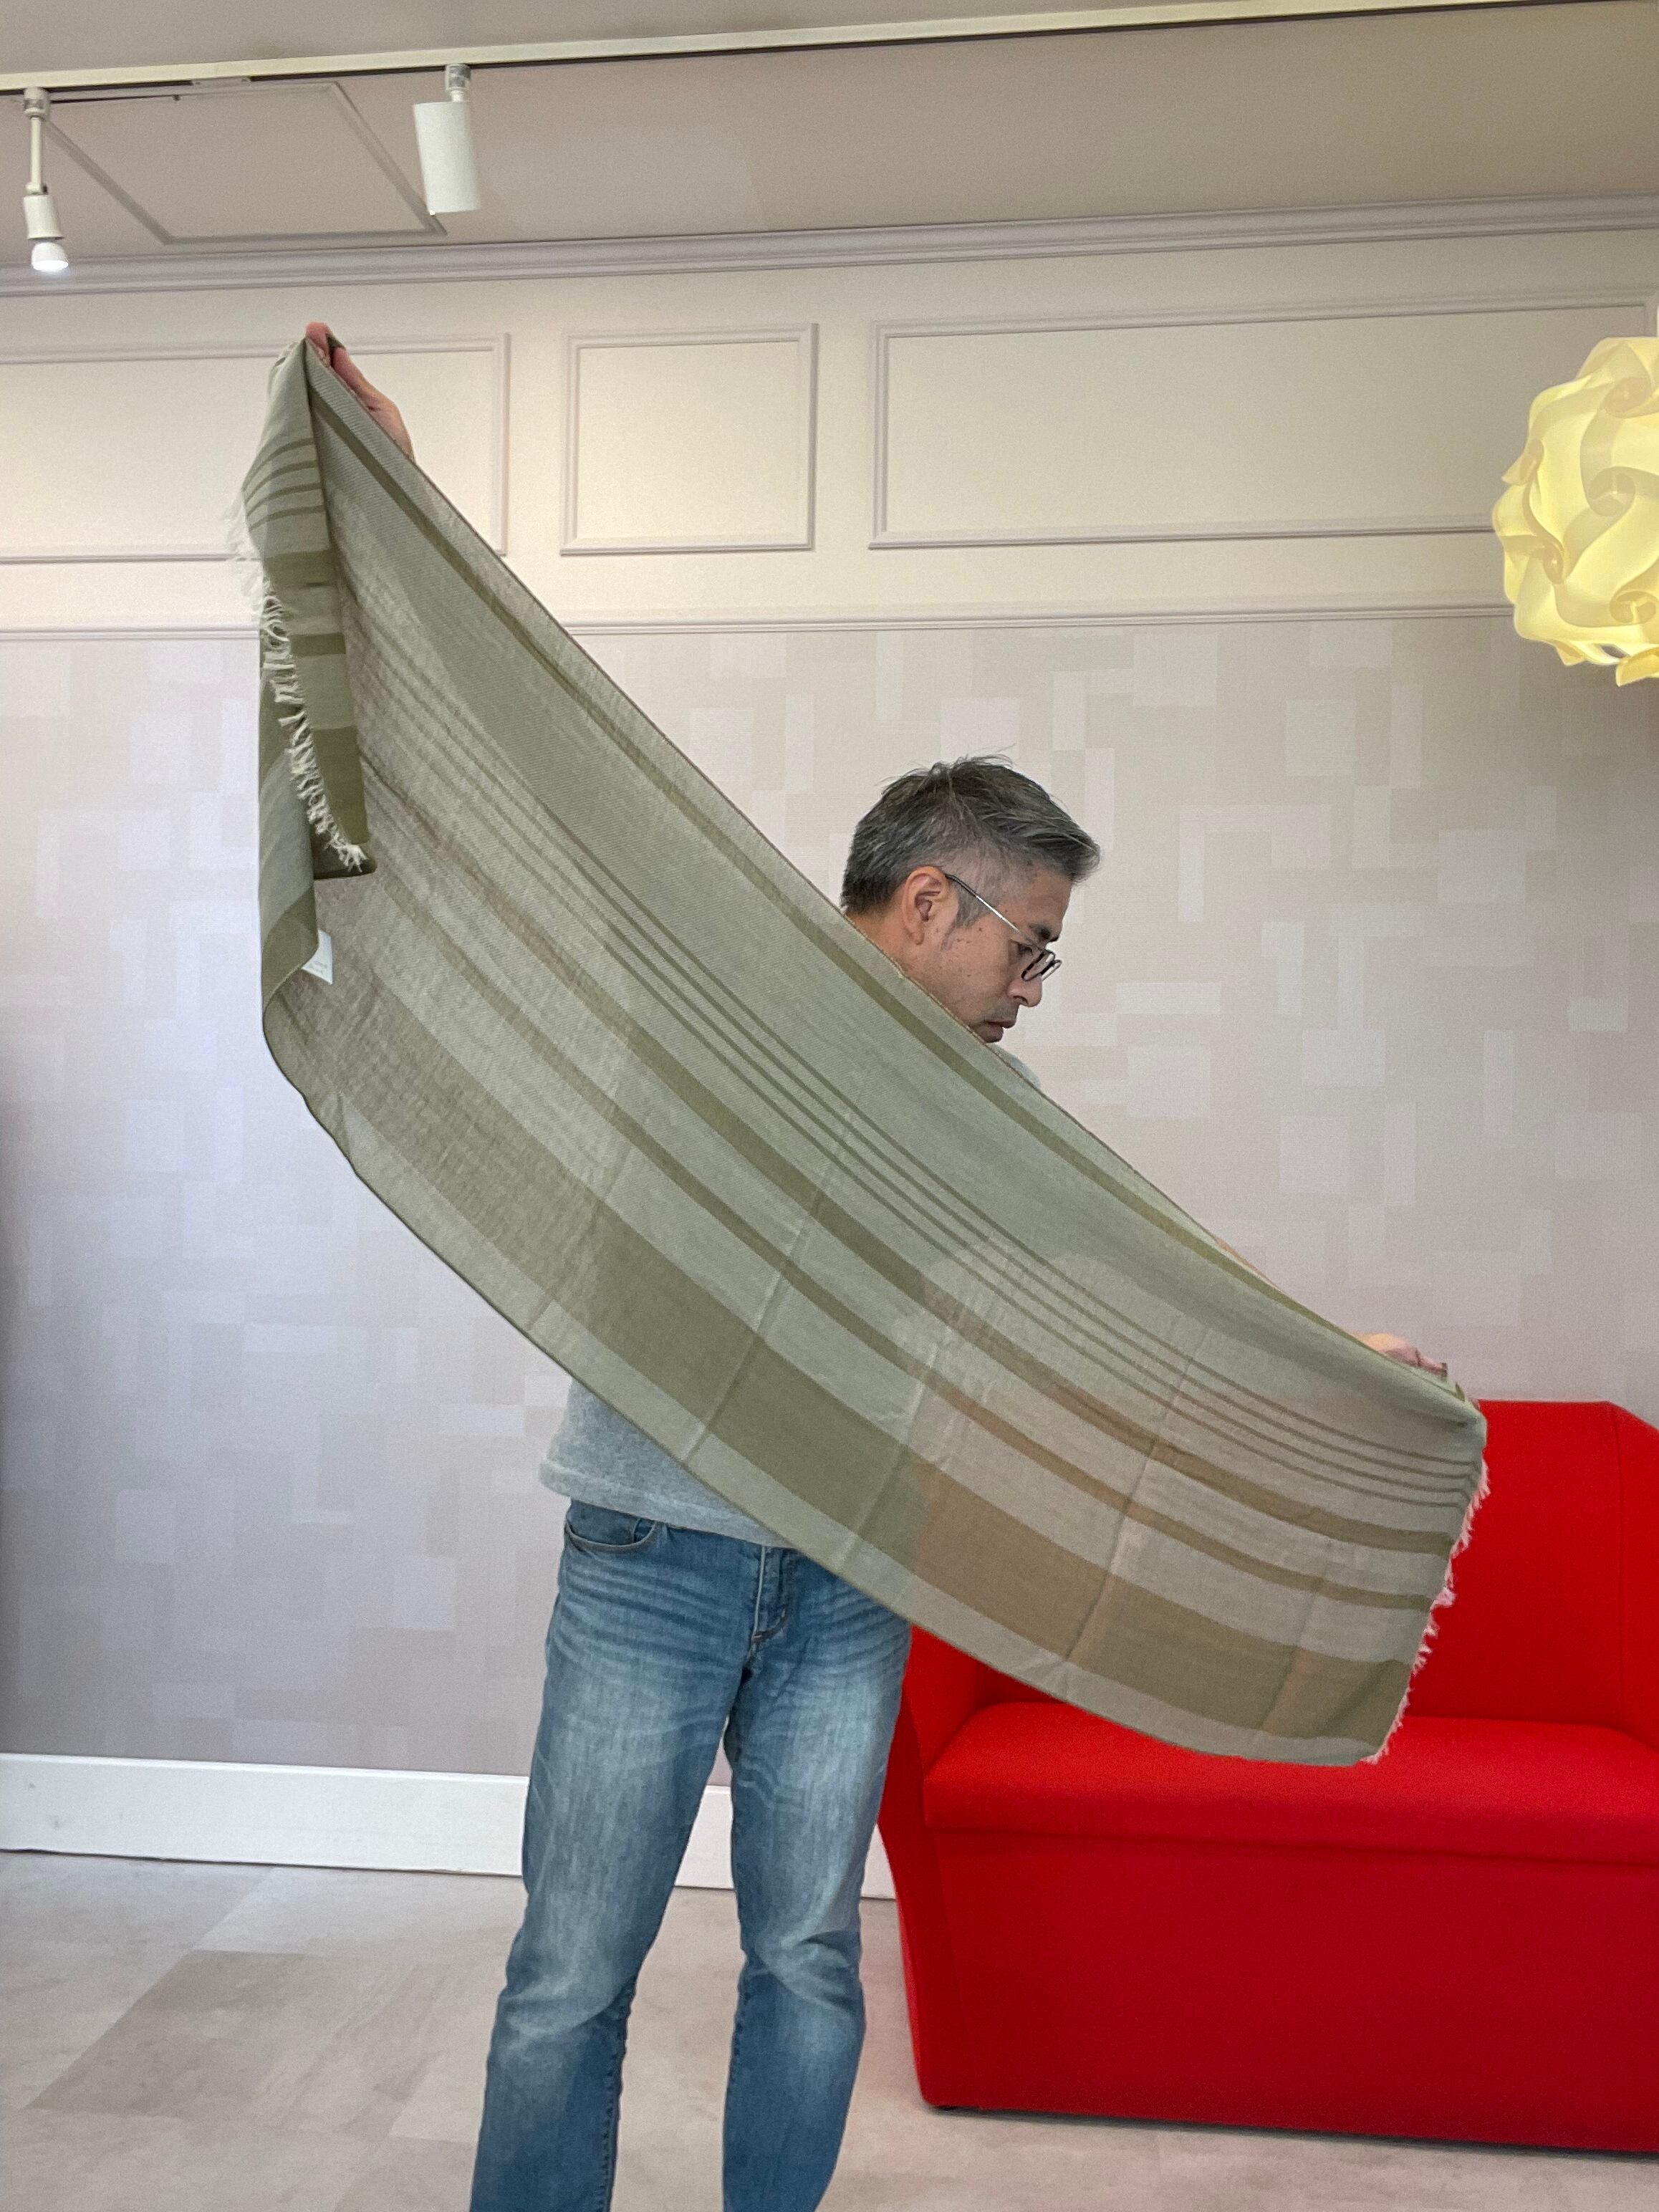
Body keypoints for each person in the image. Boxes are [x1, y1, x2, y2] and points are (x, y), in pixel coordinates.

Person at [304, 325, 1449, 2212]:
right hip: (655, 1562)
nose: (1036, 986)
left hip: (850, 1575)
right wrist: (401, 506)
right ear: (931, 900)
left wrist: (1335, 1356)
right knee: (569, 1978)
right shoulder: (719, 993)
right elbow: (553, 781)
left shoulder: (975, 1111)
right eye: (1031, 945)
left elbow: (1128, 1272)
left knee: (811, 1962)